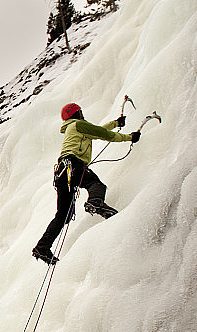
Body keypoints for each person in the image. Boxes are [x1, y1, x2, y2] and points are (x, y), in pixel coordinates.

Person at [32, 103, 141, 265]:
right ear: (76, 114)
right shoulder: (78, 124)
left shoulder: (74, 128)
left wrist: (116, 123)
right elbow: (103, 133)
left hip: (62, 173)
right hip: (73, 165)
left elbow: (96, 131)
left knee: (63, 215)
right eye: (80, 112)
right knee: (96, 185)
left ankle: (43, 247)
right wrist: (129, 137)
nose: (82, 114)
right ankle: (95, 202)